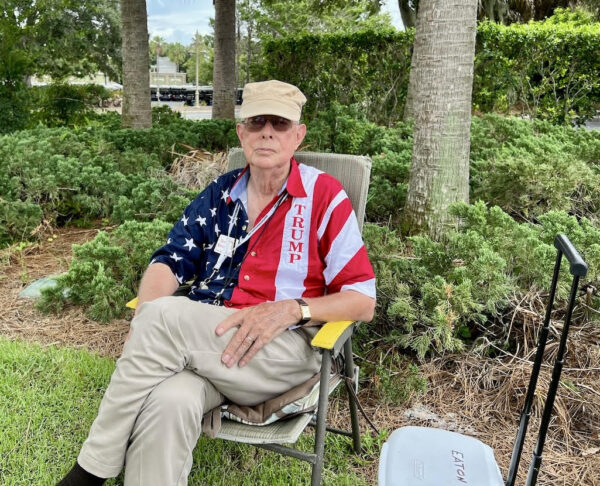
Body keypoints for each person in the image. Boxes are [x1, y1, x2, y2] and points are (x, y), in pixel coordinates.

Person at [58, 79, 376, 486]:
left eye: (279, 123)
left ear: (298, 135)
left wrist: (294, 308)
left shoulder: (324, 197)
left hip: (282, 348)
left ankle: (87, 475)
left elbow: (362, 300)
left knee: (159, 320)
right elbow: (168, 261)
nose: (266, 131)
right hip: (210, 341)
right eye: (256, 120)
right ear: (241, 131)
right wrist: (150, 322)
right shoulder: (220, 194)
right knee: (170, 400)